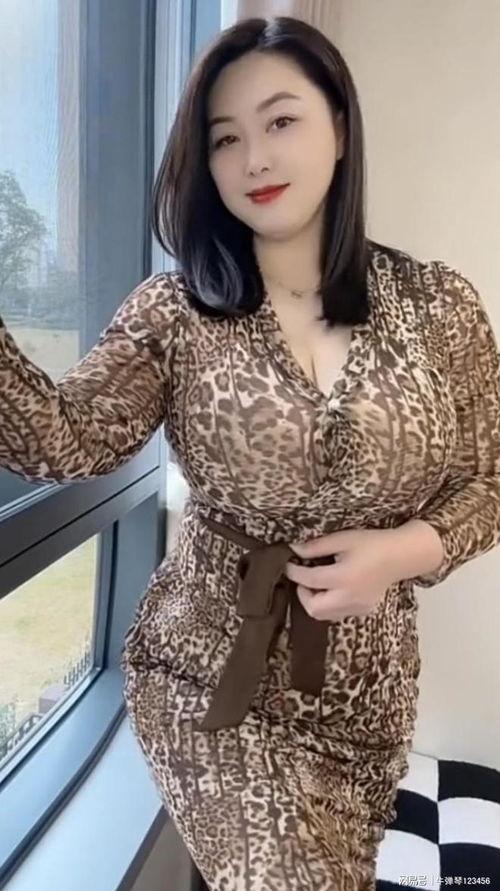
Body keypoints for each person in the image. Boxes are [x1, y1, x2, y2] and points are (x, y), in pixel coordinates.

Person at [1, 14, 499, 890]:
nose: (254, 159)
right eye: (225, 138)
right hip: (205, 674)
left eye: (281, 121)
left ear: (338, 126)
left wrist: (402, 552)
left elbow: (489, 481)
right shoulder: (175, 313)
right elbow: (63, 438)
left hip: (365, 703)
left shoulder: (438, 306)